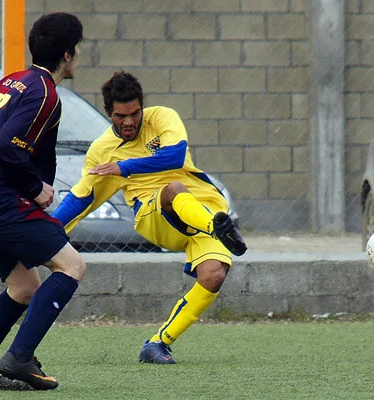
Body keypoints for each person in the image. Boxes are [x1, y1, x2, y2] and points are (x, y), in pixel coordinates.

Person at [52, 71, 247, 364]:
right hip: (153, 215)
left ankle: (158, 343)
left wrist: (124, 167)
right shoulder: (102, 152)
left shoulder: (162, 118)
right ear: (108, 113)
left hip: (200, 206)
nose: (128, 121)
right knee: (174, 189)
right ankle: (219, 229)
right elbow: (83, 197)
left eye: (134, 113)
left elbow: (175, 157)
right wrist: (47, 230)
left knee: (213, 275)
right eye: (120, 116)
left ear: (142, 106)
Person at [0, 12, 85, 390]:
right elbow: (8, 147)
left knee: (24, 286)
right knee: (72, 266)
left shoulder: (13, 81)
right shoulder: (45, 93)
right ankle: (19, 358)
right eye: (78, 49)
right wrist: (34, 189)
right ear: (68, 54)